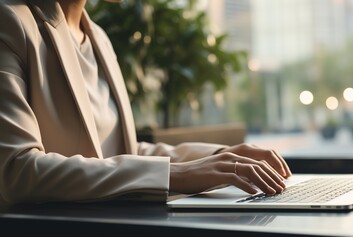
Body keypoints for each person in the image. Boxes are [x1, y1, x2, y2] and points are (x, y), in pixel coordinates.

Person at [0, 0, 291, 205]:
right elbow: (16, 171)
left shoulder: (98, 37)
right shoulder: (11, 21)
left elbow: (124, 151)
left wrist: (221, 157)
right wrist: (176, 174)